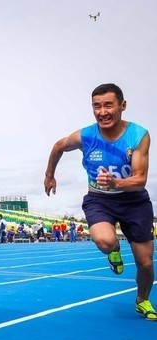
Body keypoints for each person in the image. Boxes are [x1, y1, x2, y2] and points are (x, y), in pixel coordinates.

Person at [44, 83, 155, 321]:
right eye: (97, 106)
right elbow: (58, 146)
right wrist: (49, 175)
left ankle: (142, 299)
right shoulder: (86, 136)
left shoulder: (138, 135)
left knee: (145, 264)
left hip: (134, 201)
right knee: (105, 241)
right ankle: (114, 250)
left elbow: (140, 179)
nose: (102, 111)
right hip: (100, 200)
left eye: (108, 105)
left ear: (122, 106)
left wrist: (116, 183)